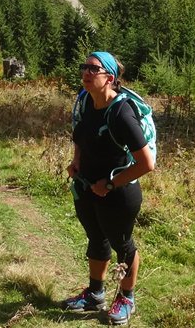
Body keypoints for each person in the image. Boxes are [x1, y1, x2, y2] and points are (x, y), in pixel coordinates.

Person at [62, 51, 155, 325]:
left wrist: (111, 184)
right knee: (95, 237)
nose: (86, 73)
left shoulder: (121, 113)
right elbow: (78, 133)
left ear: (110, 78)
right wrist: (76, 161)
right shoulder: (84, 102)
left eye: (94, 69)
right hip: (88, 186)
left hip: (119, 193)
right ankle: (94, 294)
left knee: (123, 245)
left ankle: (126, 298)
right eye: (85, 67)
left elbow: (147, 163)